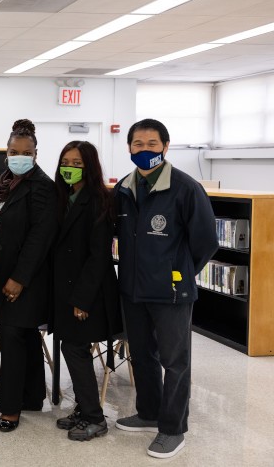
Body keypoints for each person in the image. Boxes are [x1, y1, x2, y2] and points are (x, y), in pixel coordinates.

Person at [114, 119, 218, 459]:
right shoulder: (124, 189)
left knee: (175, 362)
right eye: (138, 144)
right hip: (133, 290)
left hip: (171, 293)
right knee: (142, 355)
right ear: (129, 148)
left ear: (166, 147)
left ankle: (173, 429)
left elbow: (205, 243)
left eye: (152, 144)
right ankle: (149, 412)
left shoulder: (186, 189)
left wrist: (179, 273)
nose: (145, 150)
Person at [0, 118, 56, 433]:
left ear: (36, 154)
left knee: (11, 336)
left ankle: (10, 408)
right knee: (24, 336)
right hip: (3, 276)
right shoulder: (2, 182)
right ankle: (32, 396)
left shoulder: (42, 187)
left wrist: (20, 278)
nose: (19, 156)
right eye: (14, 151)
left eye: (26, 152)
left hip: (28, 281)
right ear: (7, 153)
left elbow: (39, 237)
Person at [49, 141, 122, 441]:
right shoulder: (64, 196)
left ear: (89, 166)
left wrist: (82, 299)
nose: (70, 167)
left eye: (77, 163)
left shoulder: (98, 200)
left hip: (88, 293)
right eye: (66, 161)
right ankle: (83, 409)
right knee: (72, 347)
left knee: (74, 349)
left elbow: (99, 256)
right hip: (67, 290)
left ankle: (95, 417)